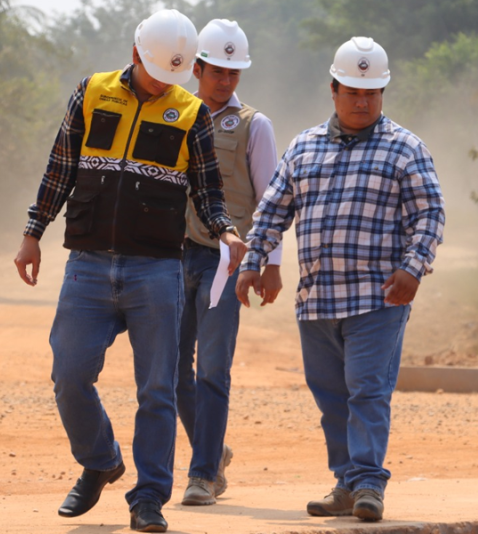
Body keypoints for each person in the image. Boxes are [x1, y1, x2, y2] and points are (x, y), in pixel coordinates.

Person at [12, 9, 246, 533]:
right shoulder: (91, 93)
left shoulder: (191, 112)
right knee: (69, 375)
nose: (167, 84)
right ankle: (100, 460)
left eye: (175, 76)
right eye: (159, 72)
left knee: (157, 390)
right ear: (136, 53)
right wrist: (33, 233)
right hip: (89, 267)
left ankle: (148, 499)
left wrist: (226, 231)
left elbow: (207, 191)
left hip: (158, 270)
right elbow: (61, 167)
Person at [235, 37, 445, 522]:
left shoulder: (405, 149)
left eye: (371, 93)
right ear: (333, 88)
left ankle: (369, 483)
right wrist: (253, 261)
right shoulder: (304, 147)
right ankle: (346, 483)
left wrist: (413, 270)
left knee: (366, 389)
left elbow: (430, 215)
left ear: (382, 93)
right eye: (352, 91)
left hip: (378, 299)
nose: (362, 101)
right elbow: (271, 211)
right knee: (330, 396)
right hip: (318, 301)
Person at [176, 18, 282, 507]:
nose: (225, 80)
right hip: (172, 259)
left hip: (224, 262)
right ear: (196, 68)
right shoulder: (173, 114)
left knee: (212, 369)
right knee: (171, 368)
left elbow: (271, 200)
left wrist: (268, 263)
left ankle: (202, 475)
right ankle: (213, 451)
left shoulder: (254, 126)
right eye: (217, 70)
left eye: (233, 73)